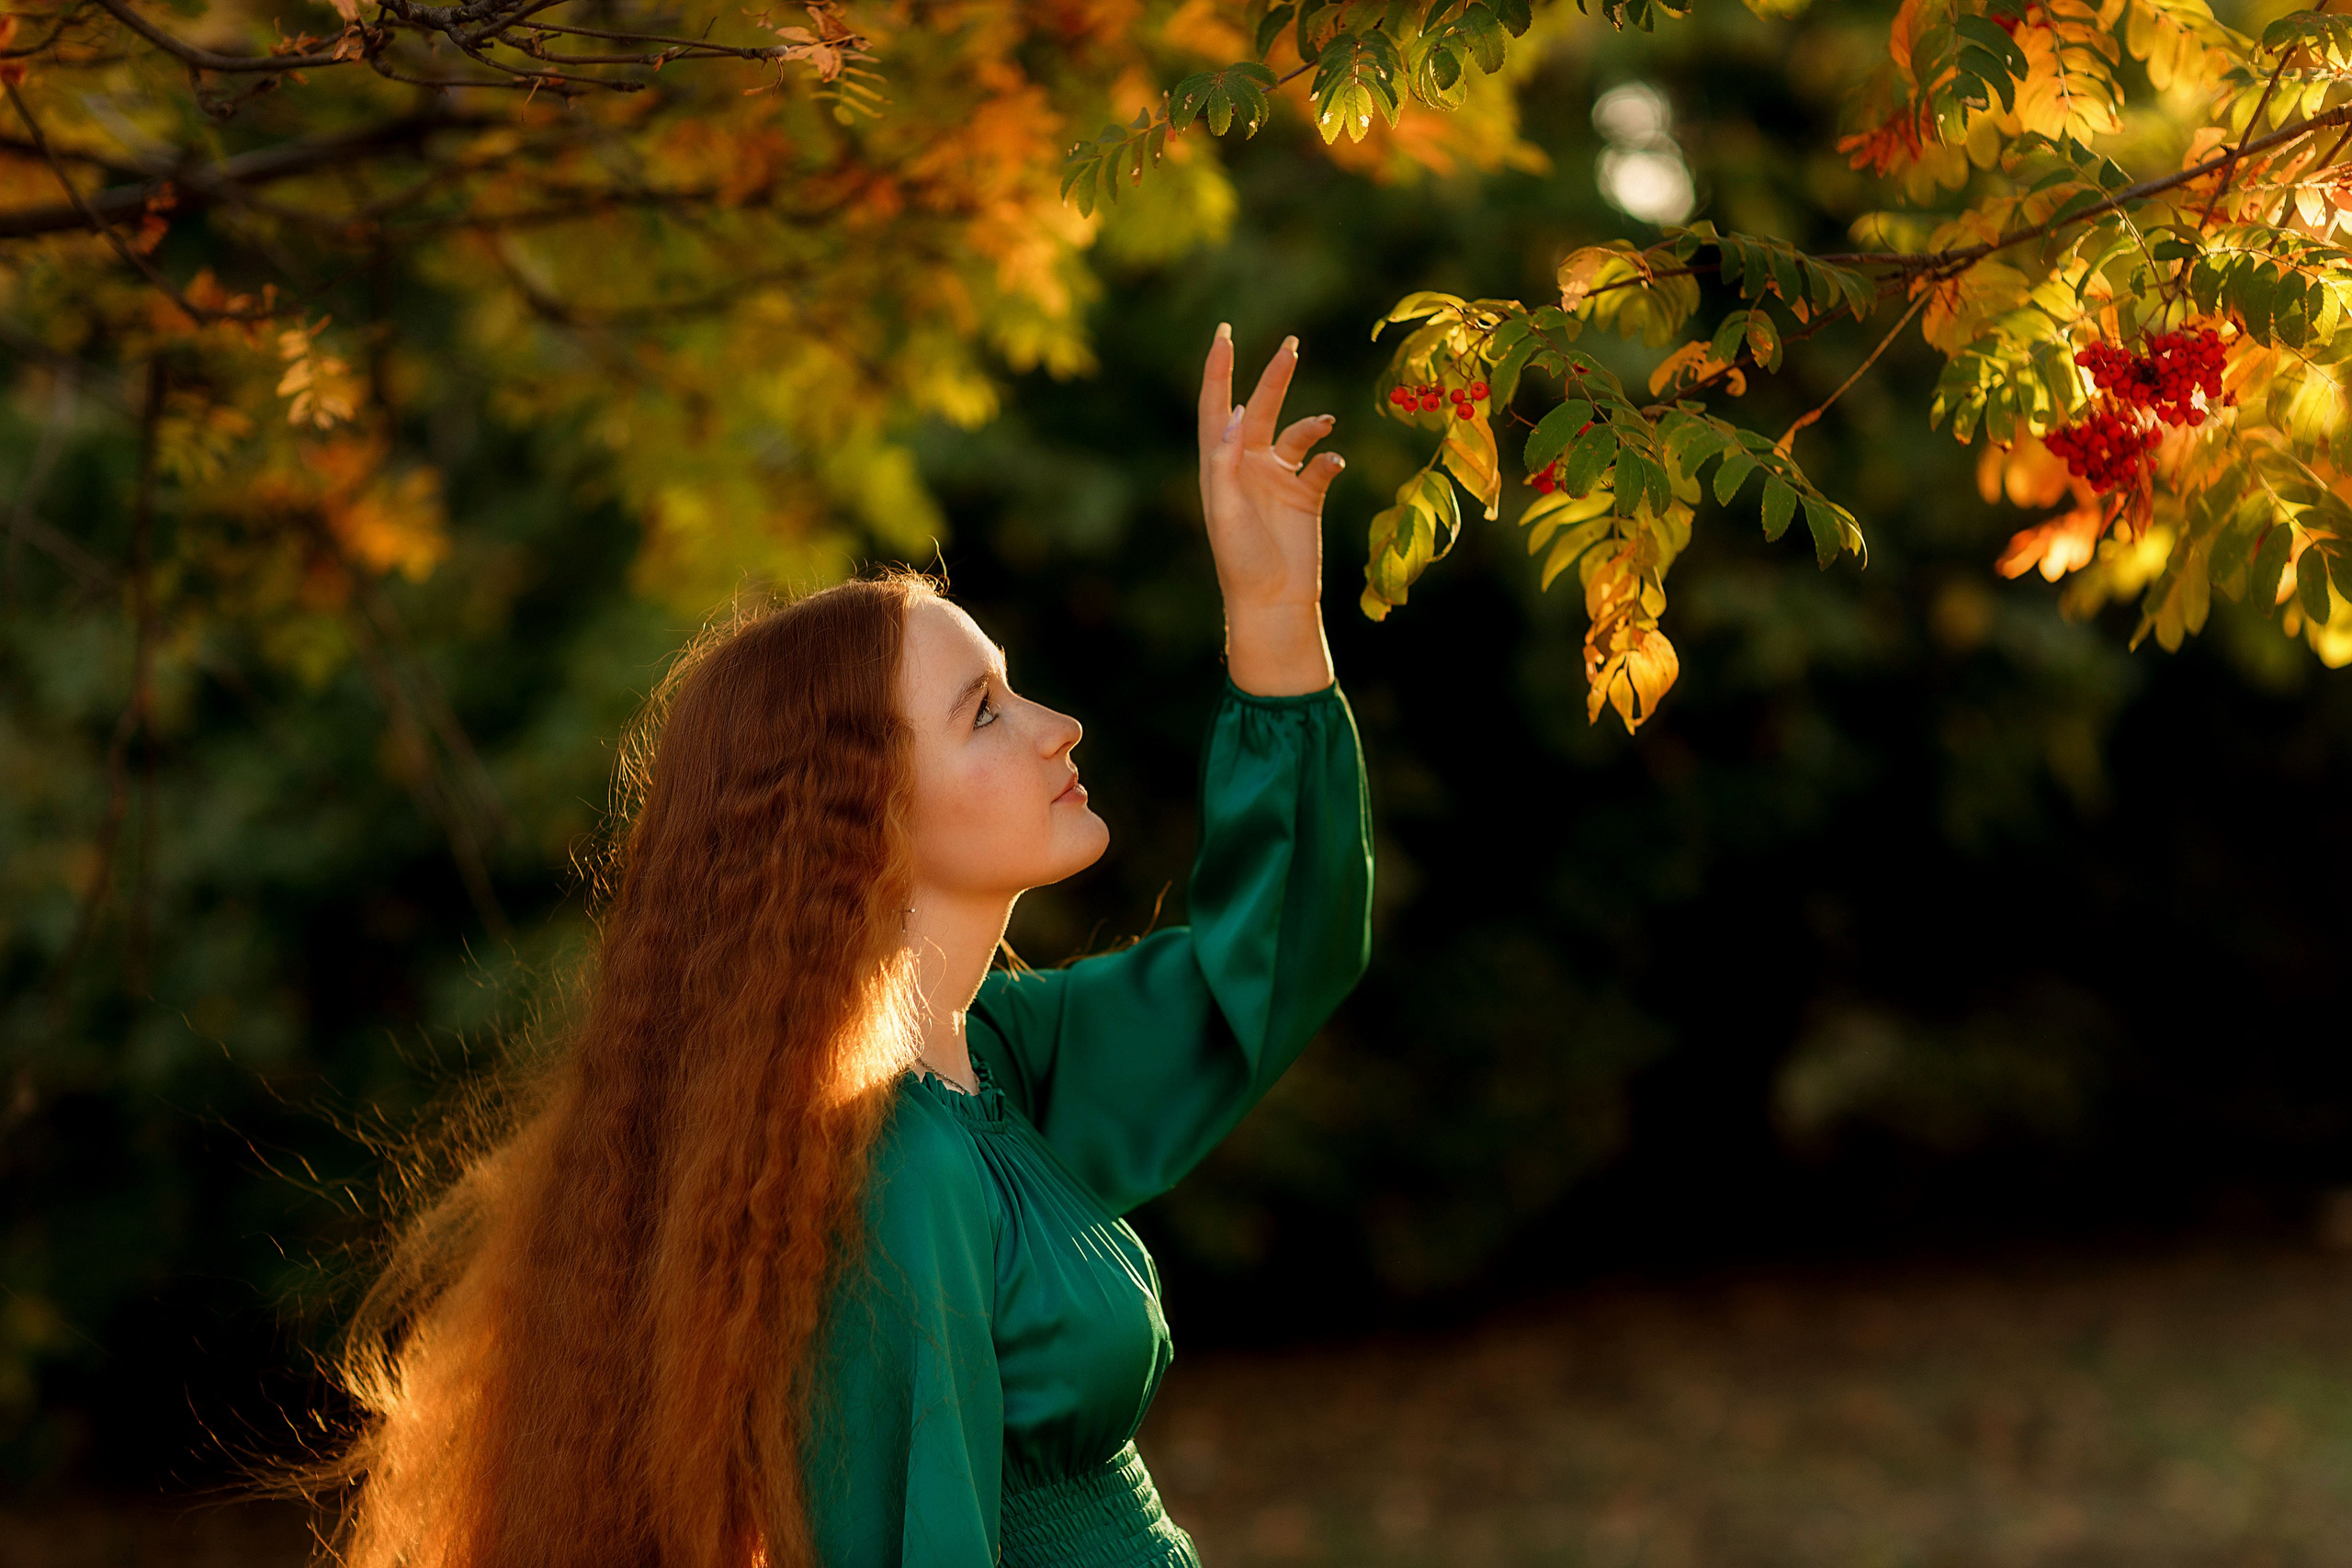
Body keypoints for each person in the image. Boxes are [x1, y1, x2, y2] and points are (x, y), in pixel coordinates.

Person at [311, 326, 1371, 1568]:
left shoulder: (991, 1071)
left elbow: (1266, 966)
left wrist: (1272, 608)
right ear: (860, 820)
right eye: (986, 712)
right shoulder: (895, 1171)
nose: (1058, 728)